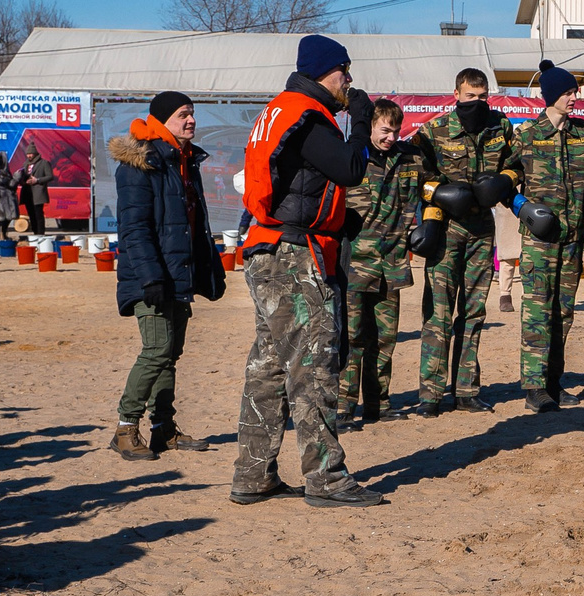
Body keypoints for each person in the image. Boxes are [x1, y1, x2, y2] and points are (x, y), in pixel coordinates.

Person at [234, 33, 378, 506]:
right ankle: (326, 478)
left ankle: (253, 475)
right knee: (313, 366)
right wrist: (361, 118)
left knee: (269, 367)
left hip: (269, 248)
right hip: (293, 258)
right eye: (345, 72)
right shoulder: (306, 115)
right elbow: (351, 168)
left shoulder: (279, 110)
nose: (350, 81)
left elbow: (299, 187)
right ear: (324, 72)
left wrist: (339, 220)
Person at [111, 90, 226, 456]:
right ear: (161, 121)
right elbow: (134, 229)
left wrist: (210, 269)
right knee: (157, 349)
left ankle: (163, 428)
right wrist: (151, 278)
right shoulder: (140, 164)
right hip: (152, 277)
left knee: (170, 352)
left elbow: (193, 224)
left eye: (192, 113)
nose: (190, 120)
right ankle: (125, 428)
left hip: (178, 274)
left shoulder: (183, 161)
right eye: (182, 114)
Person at [414, 68, 517, 413]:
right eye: (470, 96)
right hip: (446, 228)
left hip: (480, 229)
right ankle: (430, 394)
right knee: (438, 313)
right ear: (455, 94)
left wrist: (503, 180)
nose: (477, 102)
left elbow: (518, 164)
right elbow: (416, 177)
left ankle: (467, 391)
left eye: (483, 96)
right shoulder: (434, 131)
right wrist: (439, 192)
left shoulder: (499, 127)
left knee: (473, 312)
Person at [514, 61, 584, 411]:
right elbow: (506, 180)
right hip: (538, 242)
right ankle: (534, 386)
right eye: (567, 92)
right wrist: (522, 206)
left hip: (572, 238)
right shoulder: (527, 136)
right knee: (537, 309)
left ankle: (553, 381)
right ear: (550, 97)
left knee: (563, 312)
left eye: (575, 91)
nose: (574, 98)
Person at [341, 98, 427, 425]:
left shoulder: (410, 159)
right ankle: (344, 408)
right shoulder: (353, 160)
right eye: (384, 130)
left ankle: (379, 404)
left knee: (385, 339)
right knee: (351, 339)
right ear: (371, 127)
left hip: (391, 264)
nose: (390, 137)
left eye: (395, 130)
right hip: (354, 264)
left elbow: (436, 175)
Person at [20, 140, 54, 235]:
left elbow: (50, 176)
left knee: (38, 214)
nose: (29, 156)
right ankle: (35, 233)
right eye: (28, 154)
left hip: (38, 193)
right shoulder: (25, 164)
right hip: (27, 192)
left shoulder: (44, 163)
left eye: (31, 154)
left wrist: (37, 180)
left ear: (35, 154)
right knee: (31, 214)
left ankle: (40, 233)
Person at [0, 148, 20, 238]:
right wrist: (16, 177)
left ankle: (3, 235)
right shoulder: (0, 173)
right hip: (3, 199)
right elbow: (10, 184)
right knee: (4, 219)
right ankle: (2, 235)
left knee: (4, 219)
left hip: (1, 198)